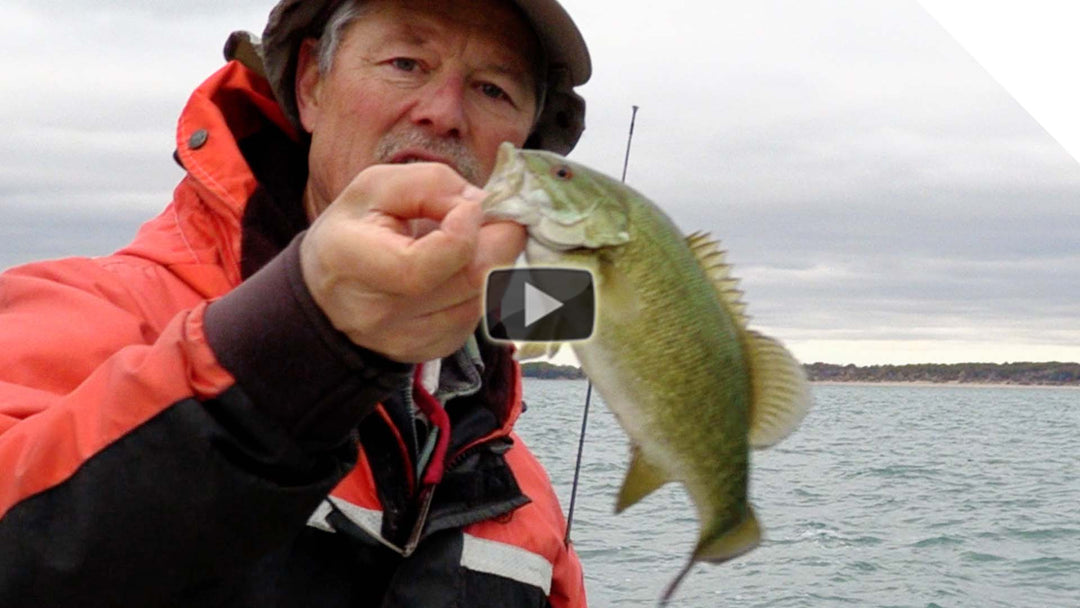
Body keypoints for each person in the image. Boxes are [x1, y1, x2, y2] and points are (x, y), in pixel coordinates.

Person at [0, 0, 592, 605]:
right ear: (311, 83)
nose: (444, 113)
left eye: (493, 89)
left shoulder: (525, 497)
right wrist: (303, 340)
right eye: (406, 62)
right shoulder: (79, 311)